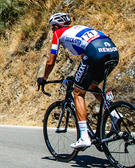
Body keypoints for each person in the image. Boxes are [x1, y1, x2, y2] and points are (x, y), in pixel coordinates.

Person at [37, 13, 119, 150]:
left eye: (52, 28)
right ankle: (115, 114)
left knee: (78, 93)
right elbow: (85, 60)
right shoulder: (79, 30)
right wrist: (76, 76)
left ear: (56, 26)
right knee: (92, 86)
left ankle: (84, 137)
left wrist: (43, 78)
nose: (52, 30)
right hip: (112, 51)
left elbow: (51, 61)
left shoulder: (58, 33)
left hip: (95, 52)